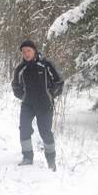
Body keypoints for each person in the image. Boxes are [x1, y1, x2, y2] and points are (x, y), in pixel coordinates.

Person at [11, 39, 64, 171]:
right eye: (24, 52)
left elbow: (59, 82)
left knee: (45, 132)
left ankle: (51, 160)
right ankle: (27, 157)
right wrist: (23, 96)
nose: (26, 54)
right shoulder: (20, 68)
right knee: (24, 129)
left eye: (29, 50)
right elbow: (15, 86)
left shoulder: (46, 65)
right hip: (27, 105)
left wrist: (50, 94)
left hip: (44, 105)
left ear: (34, 50)